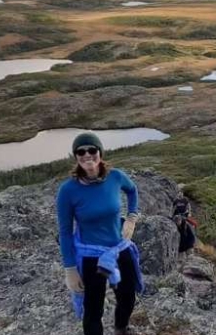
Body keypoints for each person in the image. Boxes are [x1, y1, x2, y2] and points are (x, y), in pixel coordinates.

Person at [56, 132, 143, 335]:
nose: (87, 155)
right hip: (92, 257)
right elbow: (65, 232)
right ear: (76, 157)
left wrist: (131, 218)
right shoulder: (68, 191)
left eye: (92, 150)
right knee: (94, 309)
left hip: (119, 249)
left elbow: (132, 190)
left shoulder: (116, 177)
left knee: (127, 296)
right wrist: (70, 269)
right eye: (80, 151)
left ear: (100, 153)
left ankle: (121, 328)